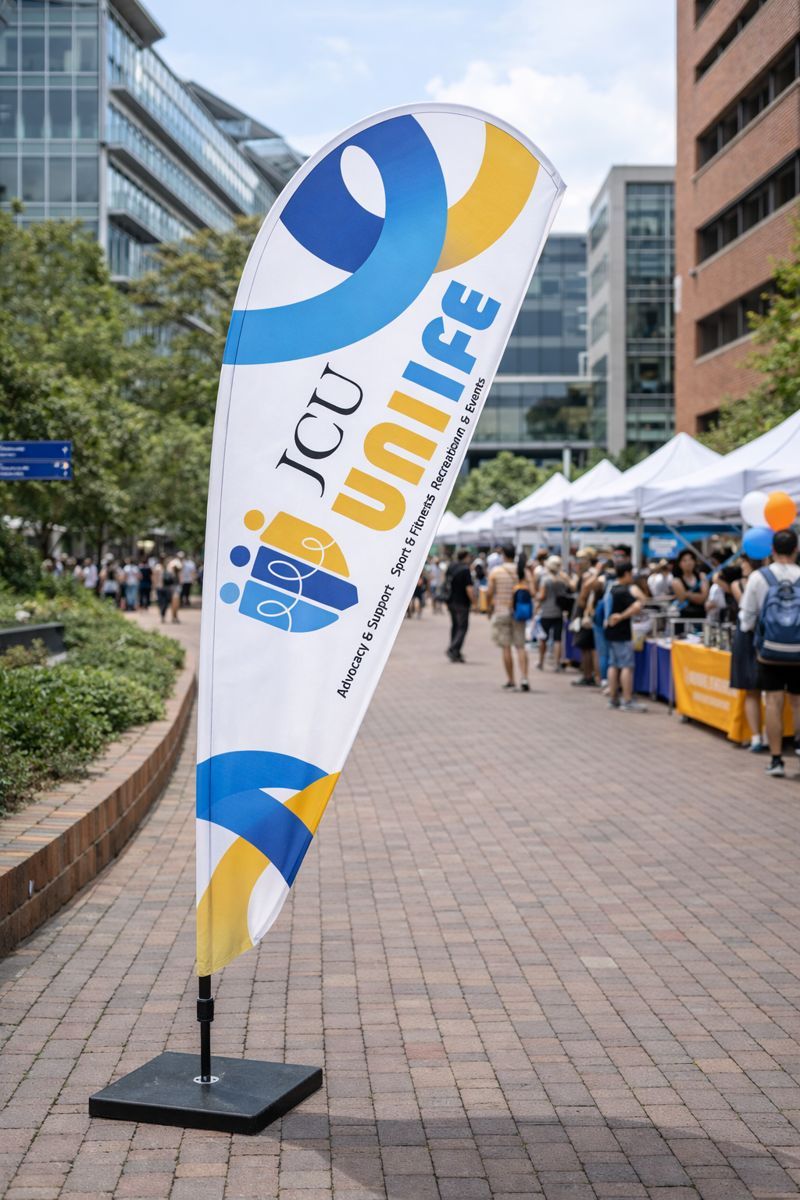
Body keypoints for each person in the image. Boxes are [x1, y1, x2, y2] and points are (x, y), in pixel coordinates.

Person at [739, 528, 800, 778]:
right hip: (799, 651)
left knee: (773, 703)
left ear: (772, 550)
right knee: (798, 702)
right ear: (796, 549)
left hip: (769, 652)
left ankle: (776, 760)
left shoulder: (758, 577)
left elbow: (746, 618)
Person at [729, 563, 764, 752]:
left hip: (752, 636)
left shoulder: (755, 580)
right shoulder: (790, 575)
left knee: (754, 691)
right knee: (776, 693)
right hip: (776, 637)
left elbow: (747, 614)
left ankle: (757, 737)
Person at [605, 558, 647, 713]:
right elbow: (638, 605)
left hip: (610, 632)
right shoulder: (623, 590)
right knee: (627, 667)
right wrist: (622, 616)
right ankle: (627, 700)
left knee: (613, 665)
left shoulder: (611, 588)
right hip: (621, 632)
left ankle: (613, 698)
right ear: (627, 573)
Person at [487, 545, 530, 691]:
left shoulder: (496, 572)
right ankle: (524, 678)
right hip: (519, 612)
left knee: (506, 647)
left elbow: (489, 593)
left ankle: (511, 679)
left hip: (501, 611)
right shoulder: (522, 571)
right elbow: (532, 590)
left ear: (503, 555)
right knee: (520, 646)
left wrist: (488, 608)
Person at [536, 555, 568, 672]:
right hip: (558, 612)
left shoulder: (545, 579)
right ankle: (557, 663)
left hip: (546, 612)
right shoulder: (562, 580)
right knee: (557, 639)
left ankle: (540, 662)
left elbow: (542, 595)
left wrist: (537, 598)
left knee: (543, 638)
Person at [445, 550, 473, 662]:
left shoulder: (451, 566)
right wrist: (474, 602)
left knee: (455, 626)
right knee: (462, 627)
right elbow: (469, 588)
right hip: (462, 602)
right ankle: (453, 648)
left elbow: (446, 581)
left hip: (451, 600)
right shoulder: (465, 570)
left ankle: (455, 652)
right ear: (465, 557)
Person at [671, 550, 709, 629]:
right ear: (680, 564)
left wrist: (687, 594)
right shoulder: (676, 581)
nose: (688, 563)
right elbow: (682, 598)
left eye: (690, 559)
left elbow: (703, 598)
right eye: (684, 560)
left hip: (701, 618)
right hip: (684, 620)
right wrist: (697, 595)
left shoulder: (702, 576)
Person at [153, 558, 170, 624]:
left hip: (166, 587)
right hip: (159, 587)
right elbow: (154, 577)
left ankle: (163, 613)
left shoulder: (169, 567)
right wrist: (155, 586)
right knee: (161, 601)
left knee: (166, 602)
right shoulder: (158, 567)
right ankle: (162, 614)